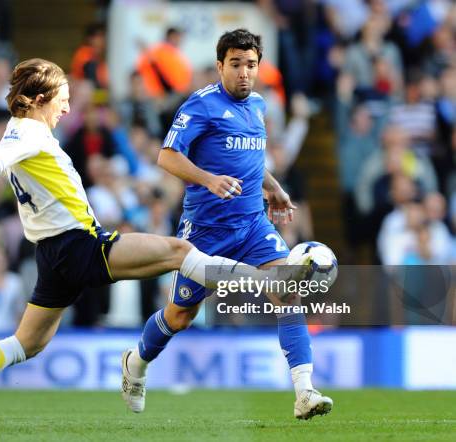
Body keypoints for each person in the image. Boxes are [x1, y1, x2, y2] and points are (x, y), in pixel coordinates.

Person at [0, 58, 311, 431]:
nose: (65, 110)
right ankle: (265, 283)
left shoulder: (20, 130)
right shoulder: (30, 132)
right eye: (61, 101)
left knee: (24, 344)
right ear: (37, 100)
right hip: (80, 244)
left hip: (51, 257)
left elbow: (0, 155)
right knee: (178, 252)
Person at [120, 29, 333, 420]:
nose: (244, 73)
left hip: (253, 226)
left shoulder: (257, 106)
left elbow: (250, 160)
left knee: (287, 292)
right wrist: (207, 179)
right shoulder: (199, 106)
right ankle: (136, 361)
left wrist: (274, 188)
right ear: (220, 66)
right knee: (179, 316)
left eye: (250, 64)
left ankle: (304, 391)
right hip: (205, 234)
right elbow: (167, 157)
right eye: (235, 64)